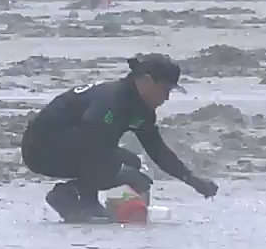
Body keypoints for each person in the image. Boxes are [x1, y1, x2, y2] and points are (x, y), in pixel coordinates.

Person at [20, 54, 218, 223]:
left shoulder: (140, 109)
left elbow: (158, 151)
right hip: (41, 149)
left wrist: (193, 181)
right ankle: (84, 201)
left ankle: (67, 194)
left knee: (130, 163)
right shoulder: (112, 101)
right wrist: (92, 203)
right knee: (114, 157)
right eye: (165, 90)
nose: (166, 98)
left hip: (70, 147)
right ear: (147, 81)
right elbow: (91, 142)